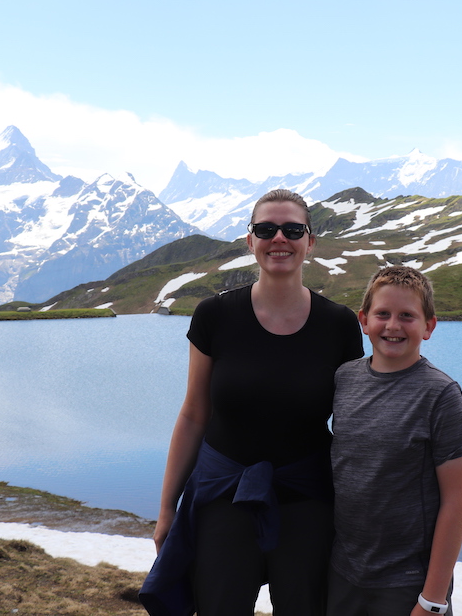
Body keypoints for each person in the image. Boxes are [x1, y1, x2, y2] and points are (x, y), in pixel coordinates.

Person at [140, 188, 365, 616]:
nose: (279, 238)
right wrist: (167, 509)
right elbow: (193, 415)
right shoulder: (215, 315)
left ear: (310, 241)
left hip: (308, 502)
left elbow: (354, 429)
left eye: (292, 229)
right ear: (250, 241)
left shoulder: (338, 324)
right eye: (266, 229)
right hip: (223, 499)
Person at [328, 265, 462, 616]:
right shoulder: (345, 378)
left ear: (428, 326)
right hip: (344, 574)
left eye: (407, 316)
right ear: (364, 321)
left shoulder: (441, 393)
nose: (393, 326)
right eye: (383, 314)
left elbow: (457, 502)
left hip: (408, 584)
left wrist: (433, 600)